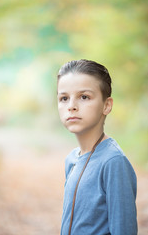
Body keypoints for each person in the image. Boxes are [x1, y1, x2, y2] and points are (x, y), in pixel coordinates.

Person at [57, 59, 137, 235]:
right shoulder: (72, 159)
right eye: (64, 98)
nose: (71, 106)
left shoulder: (113, 162)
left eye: (84, 97)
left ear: (106, 105)